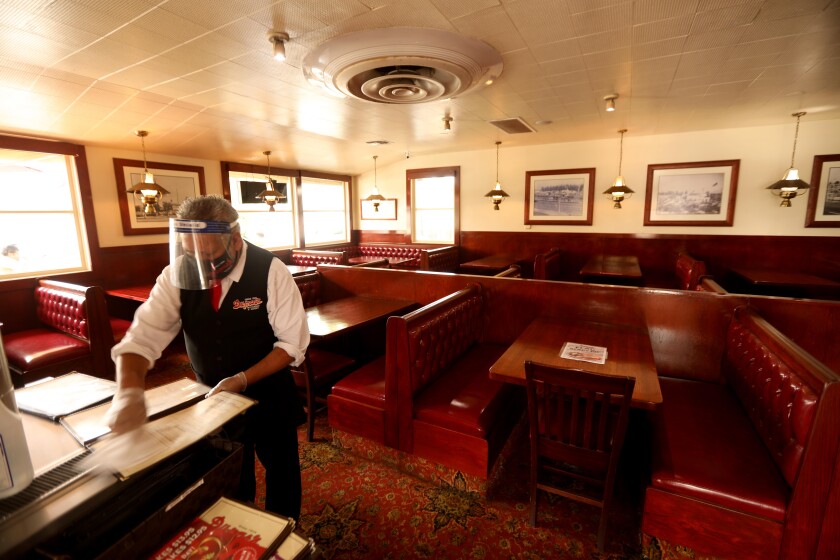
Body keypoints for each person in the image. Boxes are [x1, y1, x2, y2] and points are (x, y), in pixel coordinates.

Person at [105, 195, 309, 519]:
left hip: (271, 394)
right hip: (213, 397)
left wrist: (241, 379)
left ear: (235, 239)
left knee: (282, 473)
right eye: (191, 254)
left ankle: (288, 533)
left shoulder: (271, 270)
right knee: (231, 477)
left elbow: (292, 345)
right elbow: (142, 338)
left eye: (210, 255)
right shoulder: (176, 274)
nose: (199, 264)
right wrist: (127, 393)